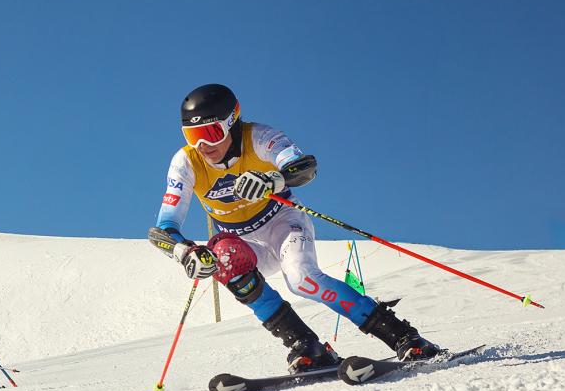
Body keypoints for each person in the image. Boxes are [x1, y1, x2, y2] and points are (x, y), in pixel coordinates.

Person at [149, 83, 440, 373]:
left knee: (302, 279)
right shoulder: (186, 162)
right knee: (223, 257)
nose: (203, 146)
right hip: (246, 243)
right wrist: (185, 252)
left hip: (283, 224)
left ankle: (403, 336)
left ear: (231, 122)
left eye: (210, 133)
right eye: (192, 136)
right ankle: (306, 346)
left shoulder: (259, 137)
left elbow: (304, 166)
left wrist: (272, 180)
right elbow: (163, 228)